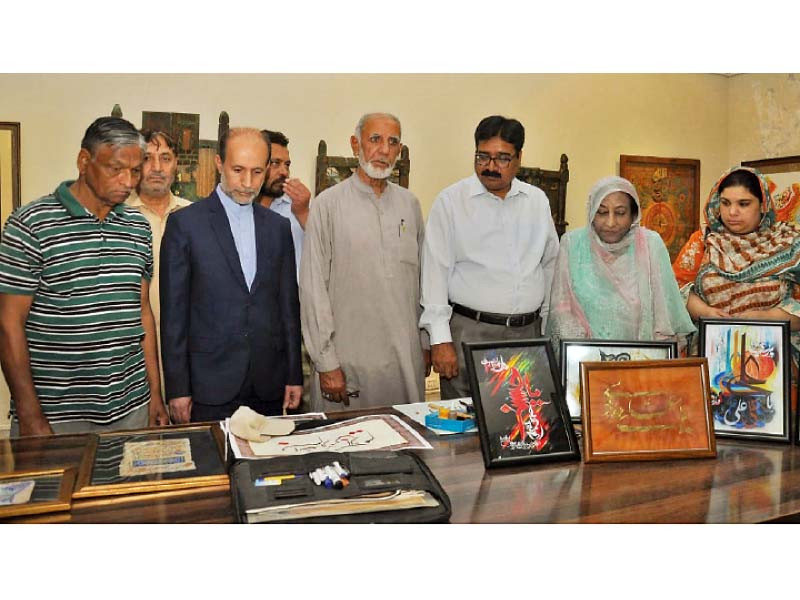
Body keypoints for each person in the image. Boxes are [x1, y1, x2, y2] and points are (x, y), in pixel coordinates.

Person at [0, 116, 169, 436]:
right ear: (83, 161)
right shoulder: (31, 224)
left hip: (130, 408)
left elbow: (142, 311)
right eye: (115, 168)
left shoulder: (137, 226)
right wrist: (31, 416)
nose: (128, 181)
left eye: (135, 171)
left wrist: (154, 394)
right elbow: (9, 324)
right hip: (56, 414)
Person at [160, 127, 302, 422]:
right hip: (208, 387)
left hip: (268, 385)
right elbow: (174, 317)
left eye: (257, 172)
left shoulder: (277, 228)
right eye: (238, 170)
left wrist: (293, 374)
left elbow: (288, 307)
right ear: (219, 164)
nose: (247, 183)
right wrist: (177, 389)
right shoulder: (185, 225)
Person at [420, 115, 559, 399]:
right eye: (483, 156)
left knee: (521, 424)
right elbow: (434, 273)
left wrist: (547, 328)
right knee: (465, 428)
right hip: (471, 334)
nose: (491, 167)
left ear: (519, 158)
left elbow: (550, 266)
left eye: (502, 158)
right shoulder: (451, 202)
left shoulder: (537, 201)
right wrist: (440, 340)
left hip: (527, 335)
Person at [300, 112, 429, 410]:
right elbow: (312, 289)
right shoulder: (327, 205)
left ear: (399, 150)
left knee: (406, 447)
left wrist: (424, 344)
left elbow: (424, 281)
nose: (383, 150)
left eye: (392, 142)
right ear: (355, 144)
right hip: (346, 365)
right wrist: (326, 361)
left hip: (404, 365)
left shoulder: (410, 205)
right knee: (347, 449)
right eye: (375, 139)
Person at [546, 176, 695, 347]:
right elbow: (561, 311)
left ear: (633, 215)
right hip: (584, 361)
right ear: (591, 212)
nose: (610, 222)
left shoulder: (650, 245)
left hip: (641, 361)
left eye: (620, 213)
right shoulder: (572, 244)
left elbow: (668, 315)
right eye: (601, 212)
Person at [673, 166, 800, 351]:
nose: (732, 212)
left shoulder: (789, 242)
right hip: (712, 350)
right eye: (725, 203)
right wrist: (705, 312)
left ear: (763, 204)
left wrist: (764, 317)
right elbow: (676, 290)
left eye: (743, 204)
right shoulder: (703, 241)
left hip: (776, 355)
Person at [125, 130, 191, 395]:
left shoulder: (194, 217)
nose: (156, 168)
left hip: (187, 354)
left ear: (176, 164)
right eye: (148, 158)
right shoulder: (120, 218)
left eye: (165, 158)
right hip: (134, 357)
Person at [256, 129, 311, 281]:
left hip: (292, 301)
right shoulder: (237, 206)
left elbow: (326, 249)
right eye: (275, 163)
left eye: (287, 165)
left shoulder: (299, 204)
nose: (284, 172)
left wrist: (303, 212)